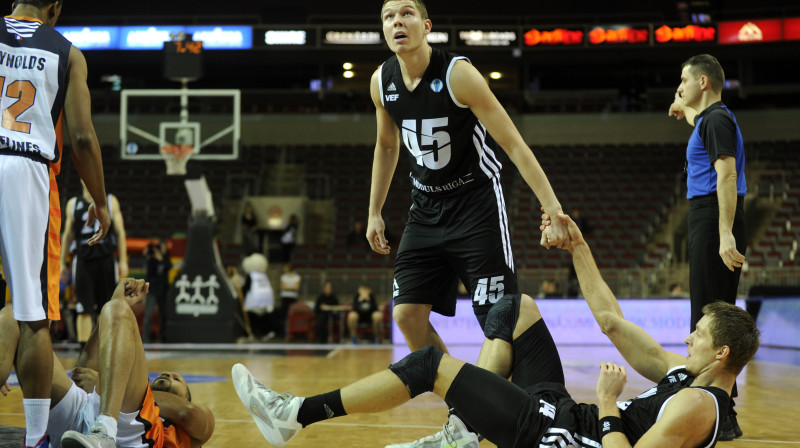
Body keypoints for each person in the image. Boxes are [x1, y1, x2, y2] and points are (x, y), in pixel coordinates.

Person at [231, 212, 759, 448]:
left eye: (698, 334)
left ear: (722, 353)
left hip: (564, 437)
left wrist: (605, 403)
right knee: (516, 305)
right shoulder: (683, 377)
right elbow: (611, 321)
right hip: (568, 415)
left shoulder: (699, 405)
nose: (687, 338)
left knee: (429, 366)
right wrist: (579, 247)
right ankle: (463, 432)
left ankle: (295, 416)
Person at [366, 0, 567, 361]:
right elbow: (385, 144)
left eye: (407, 13)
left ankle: (510, 407)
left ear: (426, 26)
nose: (397, 21)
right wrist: (374, 211)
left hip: (476, 204)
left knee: (498, 318)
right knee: (406, 314)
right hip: (425, 207)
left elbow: (513, 144)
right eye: (389, 16)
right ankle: (461, 401)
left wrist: (552, 208)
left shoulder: (458, 74)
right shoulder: (381, 81)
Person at [0, 2, 111, 446]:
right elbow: (82, 138)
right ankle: (35, 438)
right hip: (26, 172)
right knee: (32, 316)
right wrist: (99, 201)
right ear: (55, 8)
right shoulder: (67, 53)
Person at [0, 278, 215, 448]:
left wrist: (103, 381)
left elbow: (187, 413)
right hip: (83, 415)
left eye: (177, 379)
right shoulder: (118, 389)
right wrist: (109, 306)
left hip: (130, 435)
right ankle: (36, 439)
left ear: (187, 397)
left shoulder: (186, 433)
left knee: (119, 310)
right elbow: (81, 371)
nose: (168, 375)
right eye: (165, 375)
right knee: (17, 317)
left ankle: (105, 430)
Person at [668, 53, 747, 439]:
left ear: (703, 82)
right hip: (709, 214)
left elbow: (727, 174)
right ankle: (721, 410)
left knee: (709, 321)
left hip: (714, 214)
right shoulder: (711, 119)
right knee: (716, 318)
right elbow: (690, 111)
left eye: (683, 80)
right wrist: (680, 106)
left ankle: (710, 409)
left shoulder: (715, 120)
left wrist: (726, 232)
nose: (678, 87)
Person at [61, 183, 127, 351]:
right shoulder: (73, 203)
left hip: (106, 258)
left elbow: (120, 232)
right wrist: (62, 262)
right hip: (83, 259)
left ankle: (105, 348)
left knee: (106, 307)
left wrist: (123, 261)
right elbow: (68, 235)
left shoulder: (110, 201)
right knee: (83, 307)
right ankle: (84, 350)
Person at [241, 253, 277, 341]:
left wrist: (241, 293)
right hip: (267, 300)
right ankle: (265, 332)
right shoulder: (263, 275)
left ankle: (250, 333)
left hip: (254, 300)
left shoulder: (251, 275)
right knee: (263, 317)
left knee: (251, 318)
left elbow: (246, 288)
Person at [142, 239, 172, 342]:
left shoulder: (166, 259)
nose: (163, 249)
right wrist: (149, 255)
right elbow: (149, 273)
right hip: (153, 291)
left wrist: (160, 258)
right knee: (148, 316)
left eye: (165, 247)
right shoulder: (152, 259)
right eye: (162, 247)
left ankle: (164, 338)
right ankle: (145, 338)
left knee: (164, 316)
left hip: (163, 291)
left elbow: (169, 266)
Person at [278, 263, 301, 337]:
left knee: (293, 315)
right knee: (284, 315)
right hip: (285, 298)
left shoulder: (297, 277)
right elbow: (283, 287)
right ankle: (284, 332)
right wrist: (292, 288)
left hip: (293, 298)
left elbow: (296, 288)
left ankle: (293, 331)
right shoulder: (283, 277)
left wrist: (288, 288)